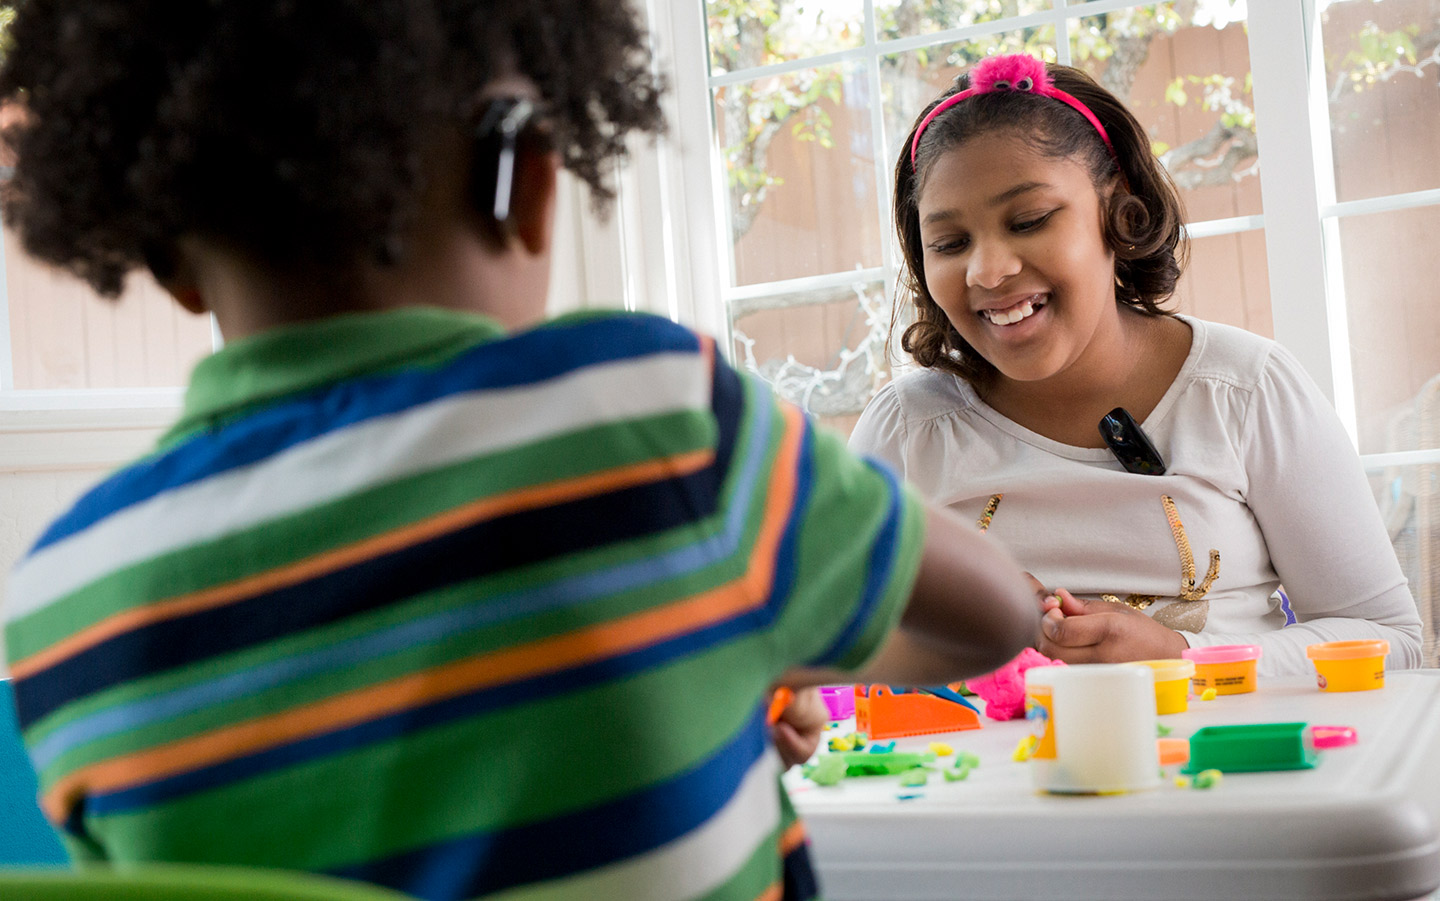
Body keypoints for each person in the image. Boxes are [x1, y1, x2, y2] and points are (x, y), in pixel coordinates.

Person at [0, 3, 1039, 901]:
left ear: (168, 261)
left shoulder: (60, 598)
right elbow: (996, 613)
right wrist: (721, 636)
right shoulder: (644, 413)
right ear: (534, 182)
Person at [851, 53, 1423, 678]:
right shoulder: (908, 431)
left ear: (1118, 212)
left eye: (1030, 220)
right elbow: (836, 643)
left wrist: (1182, 657)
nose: (988, 270)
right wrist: (961, 626)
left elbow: (1387, 636)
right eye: (950, 243)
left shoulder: (1244, 390)